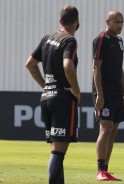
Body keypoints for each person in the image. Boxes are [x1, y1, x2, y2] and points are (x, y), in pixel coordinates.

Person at [25, 5, 80, 184]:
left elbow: (30, 64)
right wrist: (76, 90)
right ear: (77, 21)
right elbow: (67, 65)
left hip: (47, 99)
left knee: (56, 150)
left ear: (60, 21)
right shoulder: (69, 40)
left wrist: (45, 86)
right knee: (58, 151)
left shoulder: (48, 38)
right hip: (62, 100)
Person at [92, 10, 124, 181]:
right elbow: (96, 68)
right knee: (105, 128)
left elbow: (119, 68)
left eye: (122, 22)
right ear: (108, 22)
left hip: (116, 92)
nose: (120, 25)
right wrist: (99, 95)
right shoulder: (101, 39)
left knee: (113, 130)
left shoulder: (120, 41)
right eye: (116, 22)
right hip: (104, 91)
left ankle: (106, 170)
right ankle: (100, 170)